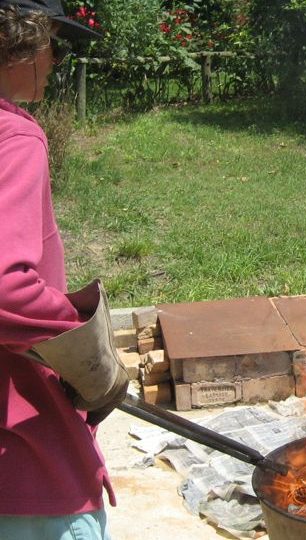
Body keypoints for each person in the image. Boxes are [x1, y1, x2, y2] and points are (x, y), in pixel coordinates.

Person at [0, 1, 129, 538]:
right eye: (50, 43)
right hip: (27, 461)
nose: (54, 60)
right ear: (17, 44)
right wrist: (84, 346)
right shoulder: (13, 138)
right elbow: (5, 286)